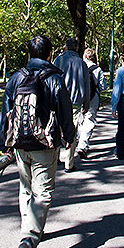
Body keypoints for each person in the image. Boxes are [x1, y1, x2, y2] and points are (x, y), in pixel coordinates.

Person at [0, 35, 75, 248]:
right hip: (44, 144)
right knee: (43, 192)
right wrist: (69, 137)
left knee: (26, 188)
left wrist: (4, 141)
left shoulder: (16, 77)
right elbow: (64, 110)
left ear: (29, 53)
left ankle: (28, 229)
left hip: (20, 143)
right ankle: (29, 237)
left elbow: (6, 109)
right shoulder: (54, 78)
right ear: (50, 54)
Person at [53, 36, 90, 172]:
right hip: (75, 103)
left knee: (57, 129)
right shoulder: (81, 63)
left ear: (65, 47)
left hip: (57, 101)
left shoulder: (58, 60)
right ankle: (69, 163)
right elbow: (86, 85)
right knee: (71, 133)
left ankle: (55, 158)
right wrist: (86, 104)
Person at [76, 48, 107, 159]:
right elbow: (103, 86)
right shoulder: (98, 69)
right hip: (93, 98)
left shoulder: (79, 66)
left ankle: (79, 141)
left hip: (80, 97)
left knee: (80, 120)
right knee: (89, 120)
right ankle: (82, 145)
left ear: (84, 56)